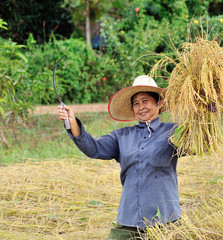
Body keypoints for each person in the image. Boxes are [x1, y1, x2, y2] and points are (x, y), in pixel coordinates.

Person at [57, 75, 181, 239]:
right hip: (130, 217)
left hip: (164, 218)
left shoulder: (173, 133)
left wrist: (207, 112)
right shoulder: (121, 136)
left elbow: (199, 143)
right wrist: (72, 122)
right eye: (136, 103)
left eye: (145, 101)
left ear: (158, 103)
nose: (140, 107)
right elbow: (94, 149)